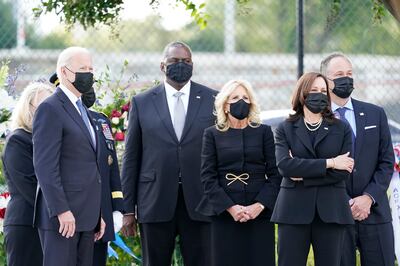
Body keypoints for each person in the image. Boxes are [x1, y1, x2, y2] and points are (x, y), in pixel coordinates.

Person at [121, 41, 216, 266]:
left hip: (200, 201)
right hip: (154, 200)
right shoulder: (141, 102)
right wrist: (128, 210)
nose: (181, 65)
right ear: (163, 65)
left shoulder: (213, 99)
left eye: (186, 61)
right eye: (174, 61)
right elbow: (131, 158)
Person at [271, 72, 355, 266]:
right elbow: (284, 166)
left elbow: (343, 172)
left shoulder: (341, 128)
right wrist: (330, 163)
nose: (320, 94)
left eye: (324, 91)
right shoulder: (285, 128)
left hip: (331, 211)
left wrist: (303, 175)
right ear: (303, 93)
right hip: (292, 211)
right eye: (314, 90)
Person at [196, 79, 281, 266]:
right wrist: (231, 208)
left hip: (260, 214)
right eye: (235, 97)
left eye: (245, 97)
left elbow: (275, 174)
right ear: (225, 105)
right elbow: (207, 176)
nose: (241, 101)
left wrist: (258, 206)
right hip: (224, 214)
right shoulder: (212, 134)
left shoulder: (264, 132)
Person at [320, 53, 395, 266]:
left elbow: (386, 161)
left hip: (375, 212)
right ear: (325, 80)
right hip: (336, 214)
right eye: (339, 74)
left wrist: (368, 198)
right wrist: (345, 201)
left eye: (349, 74)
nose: (346, 78)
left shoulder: (375, 114)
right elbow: (316, 163)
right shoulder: (317, 118)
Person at [32, 47, 105, 266]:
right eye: (83, 69)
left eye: (91, 69)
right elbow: (45, 166)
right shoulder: (50, 109)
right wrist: (62, 210)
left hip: (87, 217)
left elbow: (91, 163)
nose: (88, 74)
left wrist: (98, 213)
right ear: (64, 72)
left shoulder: (84, 111)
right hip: (63, 219)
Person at [49, 72, 125, 266]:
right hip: (72, 213)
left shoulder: (100, 121)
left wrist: (117, 208)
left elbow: (111, 165)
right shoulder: (55, 117)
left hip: (101, 214)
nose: (88, 92)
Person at [1, 82, 53, 266]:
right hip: (26, 225)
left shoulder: (49, 142)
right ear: (28, 108)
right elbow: (30, 186)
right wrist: (63, 211)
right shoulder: (18, 140)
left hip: (49, 224)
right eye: (43, 106)